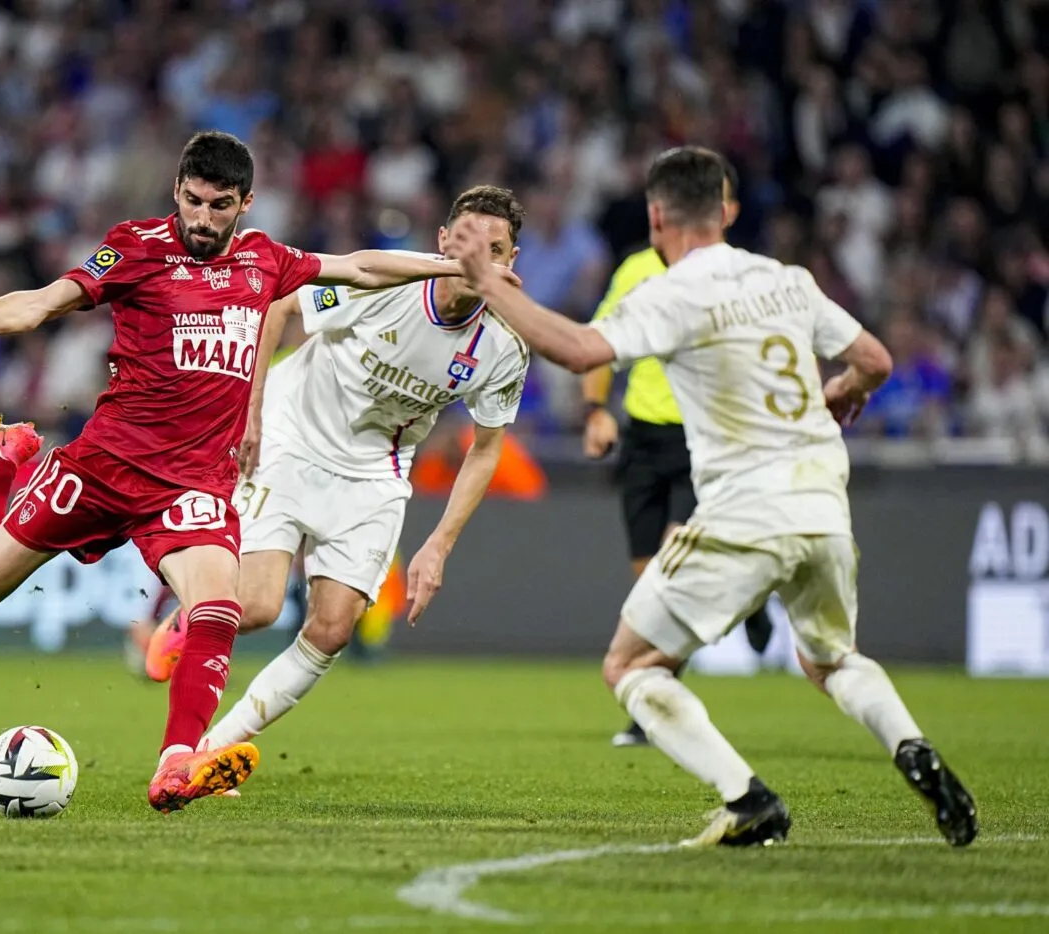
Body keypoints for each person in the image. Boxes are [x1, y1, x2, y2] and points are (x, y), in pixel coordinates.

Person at [0, 130, 472, 813]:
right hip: (101, 469)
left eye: (220, 206)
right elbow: (41, 302)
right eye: (193, 201)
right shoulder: (134, 247)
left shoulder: (265, 260)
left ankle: (176, 763)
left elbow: (359, 267)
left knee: (218, 606)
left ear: (245, 203)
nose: (203, 218)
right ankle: (3, 460)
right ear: (176, 192)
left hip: (192, 486)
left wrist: (453, 266)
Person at [451, 147, 977, 848]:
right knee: (831, 659)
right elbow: (875, 361)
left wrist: (488, 281)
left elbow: (577, 350)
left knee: (629, 665)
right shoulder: (786, 279)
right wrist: (846, 390)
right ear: (723, 211)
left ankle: (747, 798)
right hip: (824, 503)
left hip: (745, 508)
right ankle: (911, 745)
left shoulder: (673, 291)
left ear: (656, 217)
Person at [142, 186, 531, 763]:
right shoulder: (385, 281)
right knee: (257, 606)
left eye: (495, 250)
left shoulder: (504, 345)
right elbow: (280, 303)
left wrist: (439, 544)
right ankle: (191, 616)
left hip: (374, 473)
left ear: (511, 260)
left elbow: (485, 448)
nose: (479, 260)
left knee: (332, 629)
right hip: (290, 435)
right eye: (469, 243)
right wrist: (250, 412)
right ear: (443, 241)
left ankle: (207, 753)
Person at [582, 156, 775, 748]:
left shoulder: (731, 278)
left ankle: (650, 708)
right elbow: (599, 341)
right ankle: (747, 599)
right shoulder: (637, 270)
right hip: (643, 438)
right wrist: (596, 410)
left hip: (700, 440)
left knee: (672, 566)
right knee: (649, 578)